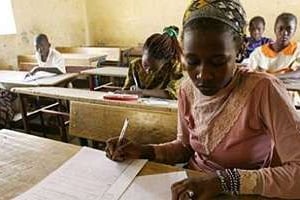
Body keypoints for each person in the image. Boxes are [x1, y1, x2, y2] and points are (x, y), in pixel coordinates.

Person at [106, 0, 300, 199]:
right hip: (192, 185)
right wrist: (143, 151)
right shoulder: (186, 89)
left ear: (241, 50)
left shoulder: (264, 90)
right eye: (192, 62)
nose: (203, 75)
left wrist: (224, 181)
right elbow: (184, 147)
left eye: (217, 62)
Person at [121, 26, 184, 99]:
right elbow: (127, 90)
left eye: (153, 69)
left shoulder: (174, 67)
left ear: (165, 63)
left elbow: (173, 93)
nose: (147, 70)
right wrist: (126, 92)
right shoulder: (135, 65)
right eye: (145, 65)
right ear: (143, 53)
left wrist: (141, 92)